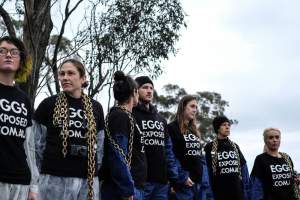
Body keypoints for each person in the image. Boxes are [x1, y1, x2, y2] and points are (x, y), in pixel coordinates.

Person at [33, 59, 104, 200]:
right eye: (62, 74)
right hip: (53, 178)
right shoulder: (48, 104)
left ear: (83, 78)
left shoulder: (96, 107)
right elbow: (35, 144)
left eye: (71, 73)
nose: (65, 77)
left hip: (87, 180)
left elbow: (100, 146)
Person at [0, 36, 38, 200]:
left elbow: (29, 146)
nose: (8, 55)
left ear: (21, 60)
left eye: (14, 52)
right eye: (2, 51)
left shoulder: (24, 100)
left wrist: (33, 185)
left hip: (20, 181)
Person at [100, 71, 147, 200]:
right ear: (134, 92)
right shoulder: (120, 116)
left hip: (134, 187)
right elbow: (118, 154)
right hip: (122, 191)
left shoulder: (126, 116)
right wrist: (126, 188)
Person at [132, 76, 179, 200]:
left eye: (151, 88)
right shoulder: (130, 114)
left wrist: (173, 177)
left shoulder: (161, 119)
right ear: (136, 90)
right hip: (140, 182)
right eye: (145, 87)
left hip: (161, 182)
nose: (149, 91)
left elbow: (168, 150)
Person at [167, 95, 214, 200]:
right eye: (192, 106)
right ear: (183, 107)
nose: (195, 110)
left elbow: (199, 157)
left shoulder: (194, 131)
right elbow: (170, 156)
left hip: (199, 184)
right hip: (184, 185)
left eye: (196, 107)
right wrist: (182, 177)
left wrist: (204, 179)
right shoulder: (172, 128)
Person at [204, 116, 250, 200]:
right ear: (218, 128)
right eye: (224, 125)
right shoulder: (210, 147)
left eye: (228, 125)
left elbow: (244, 169)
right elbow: (207, 171)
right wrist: (209, 195)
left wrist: (246, 191)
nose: (227, 127)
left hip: (237, 192)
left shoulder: (234, 146)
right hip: (220, 193)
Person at [250, 128, 300, 200]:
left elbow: (291, 181)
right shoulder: (260, 159)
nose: (274, 140)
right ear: (265, 141)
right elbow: (256, 186)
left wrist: (296, 180)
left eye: (277, 137)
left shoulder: (286, 157)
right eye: (271, 137)